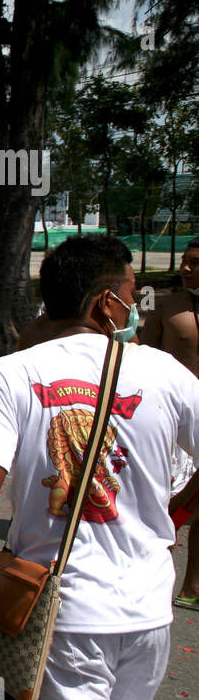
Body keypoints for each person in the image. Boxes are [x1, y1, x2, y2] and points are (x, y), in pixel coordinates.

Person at [0, 235, 197, 700]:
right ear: (108, 302)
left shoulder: (11, 375)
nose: (136, 307)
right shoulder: (164, 372)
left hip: (65, 617)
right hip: (148, 614)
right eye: (132, 292)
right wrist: (176, 507)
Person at [140, 237, 199, 609]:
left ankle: (192, 586)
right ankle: (147, 579)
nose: (186, 267)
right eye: (184, 260)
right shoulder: (166, 306)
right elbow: (144, 360)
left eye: (195, 262)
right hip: (173, 422)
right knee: (162, 502)